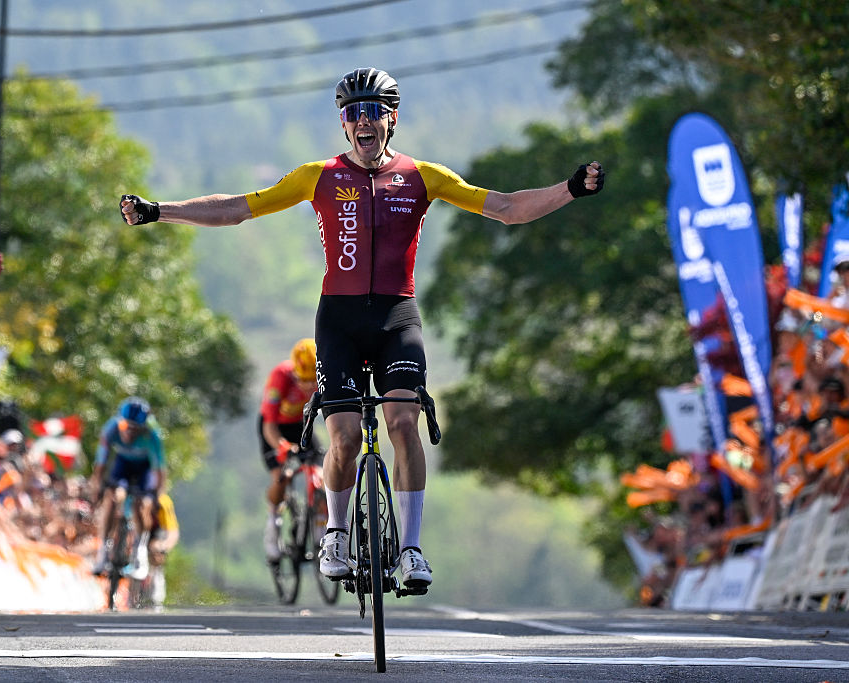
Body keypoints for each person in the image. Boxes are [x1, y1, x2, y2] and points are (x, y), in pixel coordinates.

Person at [120, 67, 605, 589]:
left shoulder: (423, 176)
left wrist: (571, 188)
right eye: (353, 113)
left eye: (373, 111)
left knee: (402, 423)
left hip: (397, 317)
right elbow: (238, 208)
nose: (363, 121)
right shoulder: (317, 176)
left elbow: (507, 208)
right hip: (341, 322)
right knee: (345, 438)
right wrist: (159, 211)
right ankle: (335, 532)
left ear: (391, 119)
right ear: (344, 125)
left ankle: (412, 550)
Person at [258, 338, 321, 561]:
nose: (308, 387)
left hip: (301, 426)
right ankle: (273, 525)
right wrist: (283, 447)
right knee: (281, 477)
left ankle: (319, 526)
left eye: (313, 381)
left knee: (321, 473)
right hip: (275, 428)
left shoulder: (322, 377)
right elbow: (269, 426)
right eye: (303, 381)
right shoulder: (281, 377)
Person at [90, 396, 166, 581]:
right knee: (112, 497)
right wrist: (97, 487)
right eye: (126, 427)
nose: (129, 433)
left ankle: (139, 554)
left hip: (145, 468)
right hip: (122, 464)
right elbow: (100, 464)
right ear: (120, 422)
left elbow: (159, 472)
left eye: (135, 429)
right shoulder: (111, 429)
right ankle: (104, 551)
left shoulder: (152, 435)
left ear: (143, 427)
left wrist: (157, 496)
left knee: (140, 505)